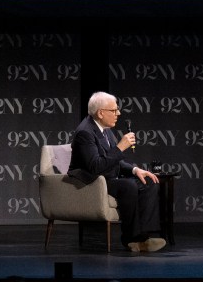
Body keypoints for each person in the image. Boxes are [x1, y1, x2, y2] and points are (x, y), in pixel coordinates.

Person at [67, 91, 166, 253]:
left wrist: (135, 170)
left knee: (148, 182)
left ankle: (144, 237)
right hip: (91, 181)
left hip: (106, 177)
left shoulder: (104, 129)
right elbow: (95, 166)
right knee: (128, 186)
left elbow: (116, 160)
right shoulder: (85, 132)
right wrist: (120, 147)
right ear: (100, 113)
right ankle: (131, 239)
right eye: (114, 110)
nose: (118, 113)